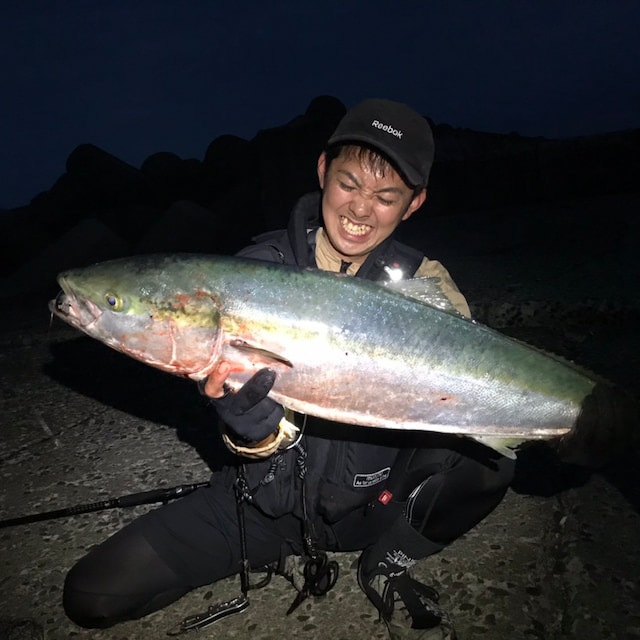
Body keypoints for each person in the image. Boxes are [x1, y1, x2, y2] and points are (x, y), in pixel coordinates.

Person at [63, 99, 515, 640]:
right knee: (90, 595)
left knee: (491, 460)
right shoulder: (253, 272)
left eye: (386, 197)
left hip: (378, 502)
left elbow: (475, 387)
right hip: (263, 508)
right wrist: (249, 433)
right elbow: (226, 421)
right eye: (349, 184)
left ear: (413, 203)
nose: (361, 209)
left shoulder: (427, 283)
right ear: (323, 171)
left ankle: (388, 559)